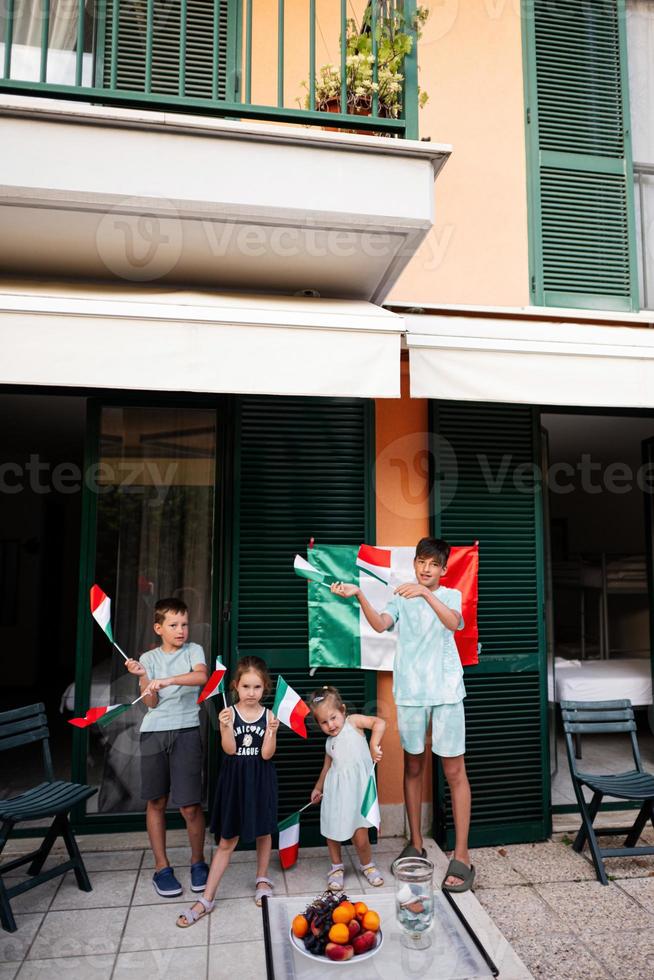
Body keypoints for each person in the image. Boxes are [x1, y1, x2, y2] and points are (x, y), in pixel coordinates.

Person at [331, 536, 475, 892]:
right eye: (420, 562)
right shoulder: (400, 597)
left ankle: (462, 854)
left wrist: (426, 594)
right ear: (414, 564)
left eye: (432, 564)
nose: (425, 569)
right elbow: (381, 625)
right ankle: (415, 841)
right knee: (413, 765)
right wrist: (360, 595)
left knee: (454, 770)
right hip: (411, 692)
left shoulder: (450, 595)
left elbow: (454, 624)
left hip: (445, 691)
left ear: (443, 570)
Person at [176, 656, 279, 927]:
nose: (251, 693)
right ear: (235, 686)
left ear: (264, 688)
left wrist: (271, 732)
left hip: (260, 777)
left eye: (257, 688)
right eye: (246, 687)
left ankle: (262, 878)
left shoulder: (269, 716)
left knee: (263, 830)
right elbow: (230, 750)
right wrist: (224, 726)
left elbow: (267, 755)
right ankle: (207, 898)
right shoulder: (229, 713)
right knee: (227, 840)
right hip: (235, 780)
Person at [125, 597, 210, 898]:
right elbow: (150, 702)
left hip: (186, 730)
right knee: (157, 802)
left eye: (184, 624)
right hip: (154, 733)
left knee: (190, 805)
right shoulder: (147, 659)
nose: (181, 630)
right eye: (173, 625)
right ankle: (162, 868)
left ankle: (198, 862)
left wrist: (168, 679)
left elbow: (202, 677)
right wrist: (144, 677)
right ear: (158, 628)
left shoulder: (194, 651)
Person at [309, 685, 386, 891]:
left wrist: (373, 744)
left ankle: (367, 864)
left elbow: (379, 723)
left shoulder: (353, 723)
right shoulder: (329, 742)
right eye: (324, 722)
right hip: (335, 792)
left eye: (333, 718)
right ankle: (336, 867)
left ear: (342, 711)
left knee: (360, 835)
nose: (330, 725)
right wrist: (318, 788)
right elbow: (327, 767)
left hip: (357, 792)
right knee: (332, 831)